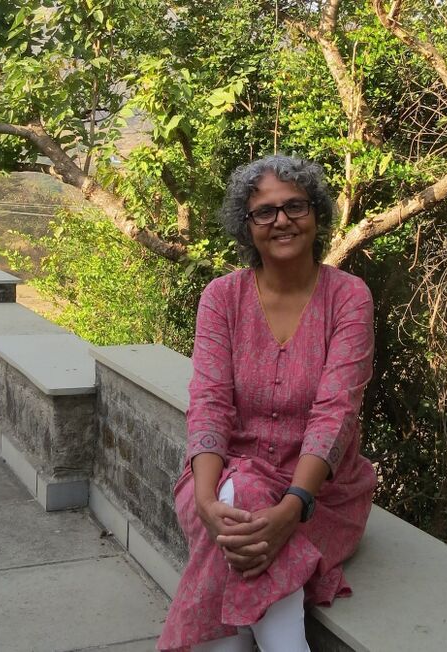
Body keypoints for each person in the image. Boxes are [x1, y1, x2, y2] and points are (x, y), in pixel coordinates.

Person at [157, 155, 376, 652]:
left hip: (321, 495)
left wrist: (294, 506)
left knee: (246, 510)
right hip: (223, 478)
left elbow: (336, 411)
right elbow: (209, 403)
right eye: (264, 211)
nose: (281, 220)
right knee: (243, 498)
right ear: (247, 225)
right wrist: (207, 502)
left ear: (316, 214)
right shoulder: (222, 298)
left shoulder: (348, 297)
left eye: (295, 206)